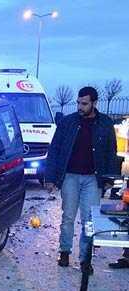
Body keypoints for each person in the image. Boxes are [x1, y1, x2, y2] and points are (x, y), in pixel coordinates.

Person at [45, 86, 119, 274]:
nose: (80, 106)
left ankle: (85, 259)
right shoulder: (68, 123)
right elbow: (55, 149)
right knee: (68, 216)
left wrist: (109, 178)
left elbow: (111, 151)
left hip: (92, 179)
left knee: (89, 219)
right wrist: (50, 177)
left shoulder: (105, 124)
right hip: (69, 176)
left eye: (84, 103)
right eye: (78, 102)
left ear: (94, 103)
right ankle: (64, 252)